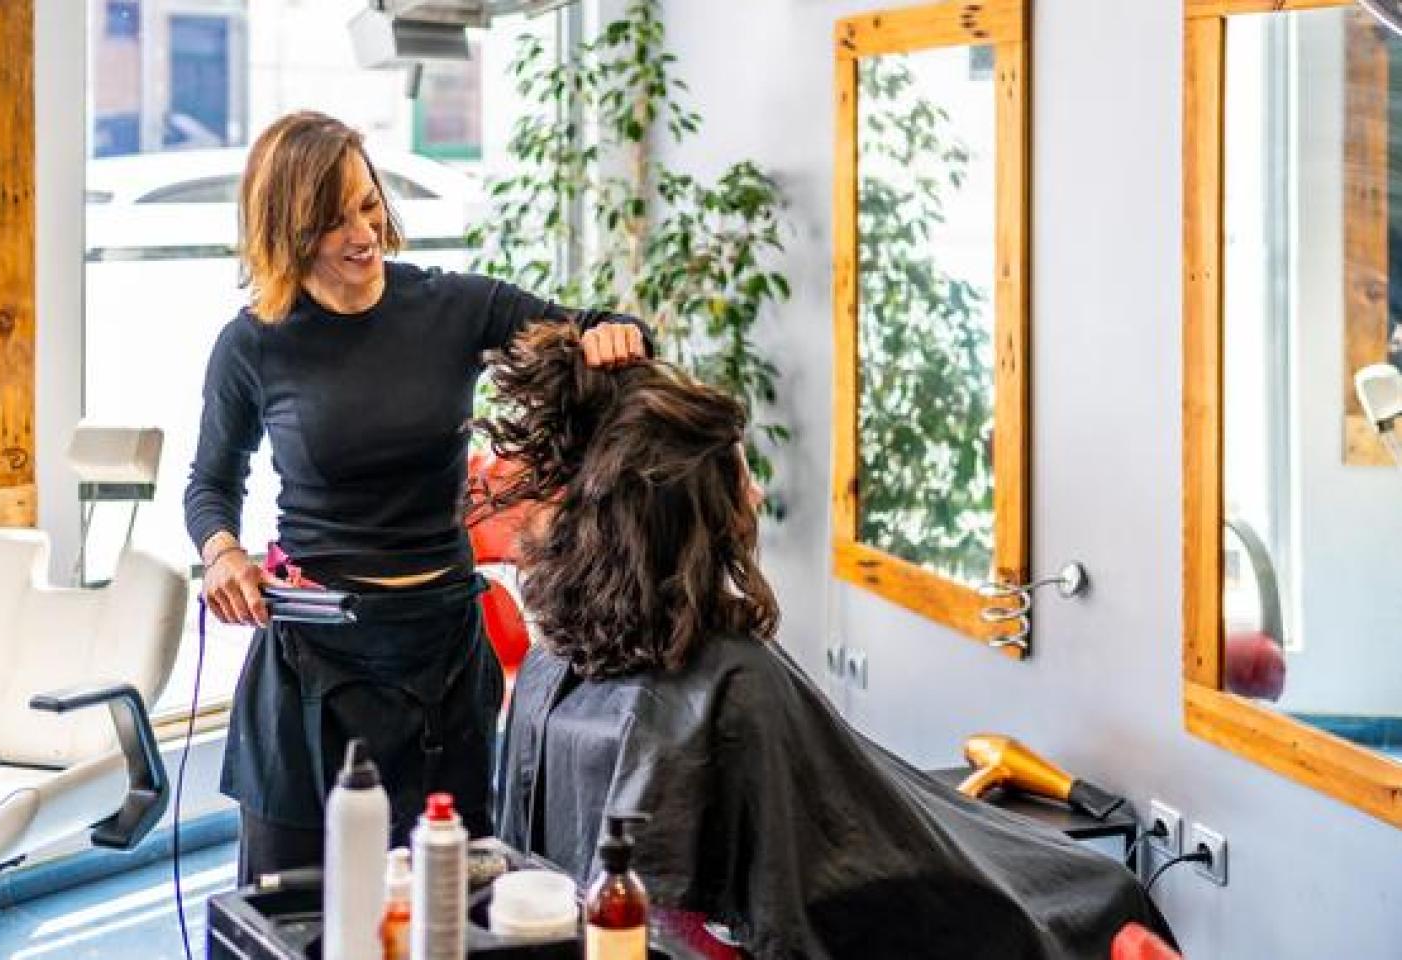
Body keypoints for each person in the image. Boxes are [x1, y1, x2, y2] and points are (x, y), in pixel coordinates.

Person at [481, 323, 1174, 960]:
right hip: (937, 885)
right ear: (685, 512)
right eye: (741, 475)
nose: (753, 499)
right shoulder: (730, 676)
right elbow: (815, 884)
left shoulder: (560, 657)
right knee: (1103, 892)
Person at [184, 111, 650, 882]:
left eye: (369, 205)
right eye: (333, 220)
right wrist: (222, 551)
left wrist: (613, 336)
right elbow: (210, 484)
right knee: (291, 909)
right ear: (288, 228)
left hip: (439, 653)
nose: (363, 233)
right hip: (313, 666)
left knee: (449, 901)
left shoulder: (454, 309)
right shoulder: (253, 344)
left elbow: (600, 330)